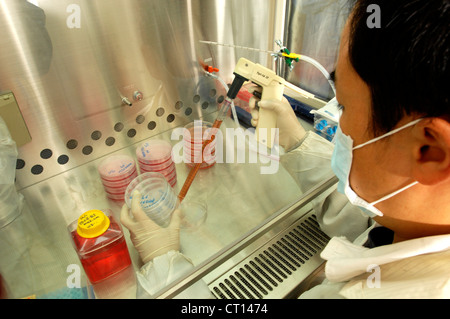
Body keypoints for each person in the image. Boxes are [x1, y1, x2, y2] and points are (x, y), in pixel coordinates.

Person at [121, 0, 450, 298]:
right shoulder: (418, 221)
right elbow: (364, 222)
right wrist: (296, 140)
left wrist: (164, 269)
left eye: (345, 107)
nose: (339, 123)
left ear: (429, 150)